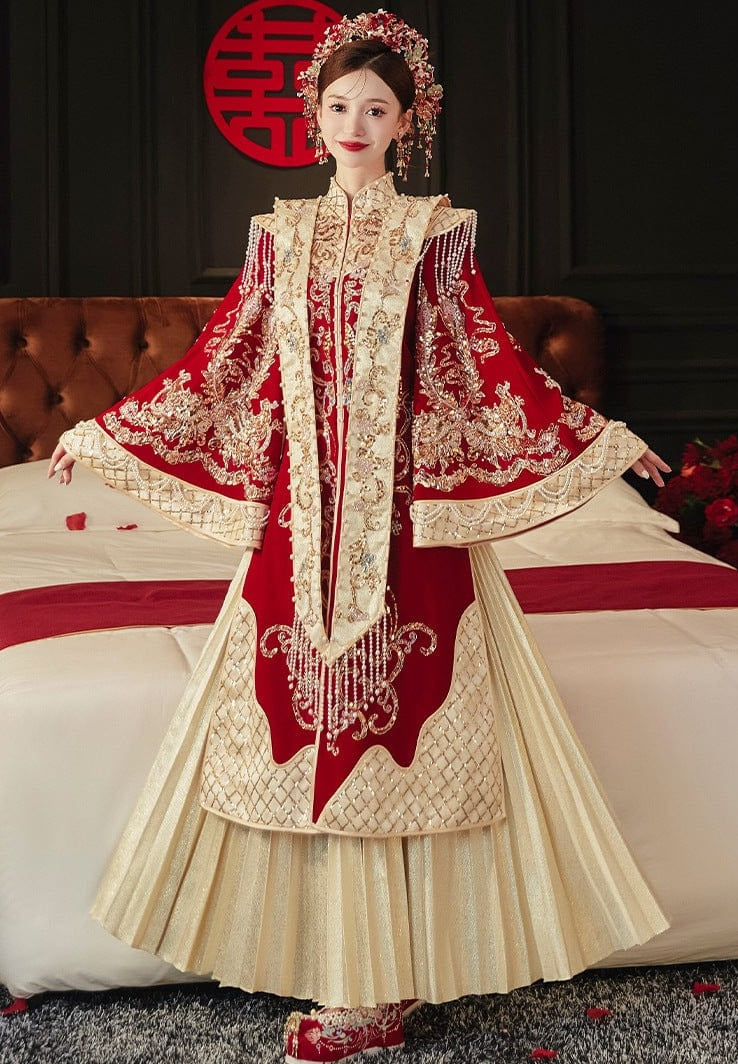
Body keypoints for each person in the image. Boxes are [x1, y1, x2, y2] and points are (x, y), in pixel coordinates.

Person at [48, 10, 671, 1063]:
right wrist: (105, 432)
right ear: (314, 114)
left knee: (398, 714)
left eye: (375, 109)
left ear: (406, 123)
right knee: (300, 713)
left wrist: (597, 439)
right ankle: (344, 965)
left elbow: (482, 356)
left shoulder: (435, 233)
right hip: (300, 521)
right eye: (338, 105)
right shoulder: (278, 234)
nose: (353, 124)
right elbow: (226, 357)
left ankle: (383, 983)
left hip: (406, 521)